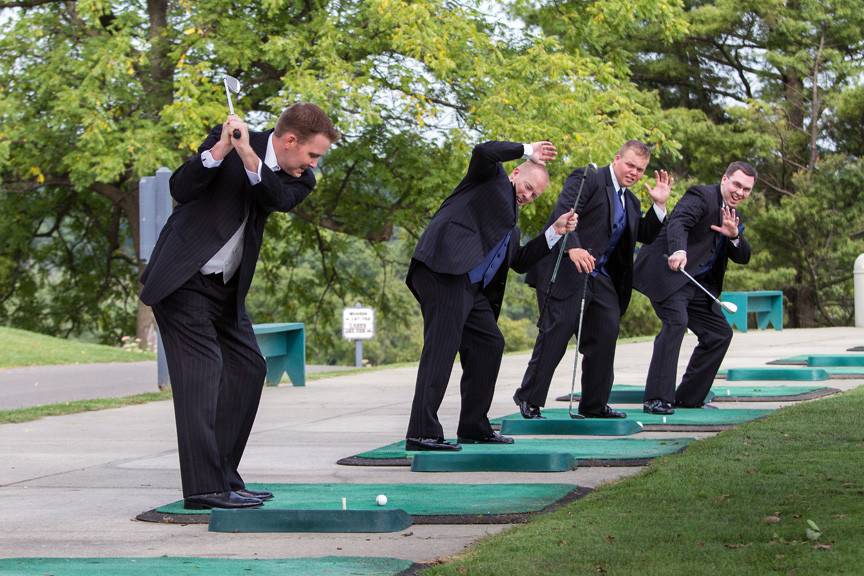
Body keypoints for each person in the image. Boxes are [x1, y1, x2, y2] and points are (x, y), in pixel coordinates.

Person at [139, 104, 339, 509]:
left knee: (249, 367)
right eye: (312, 154)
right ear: (289, 141)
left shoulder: (300, 179)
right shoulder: (224, 138)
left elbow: (275, 198)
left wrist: (248, 154)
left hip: (226, 291)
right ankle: (204, 489)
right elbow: (181, 188)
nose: (313, 164)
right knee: (204, 372)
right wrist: (218, 153)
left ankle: (224, 478)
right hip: (181, 278)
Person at [405, 140, 578, 451]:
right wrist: (528, 150)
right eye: (527, 187)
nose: (527, 195)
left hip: (471, 290)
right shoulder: (489, 178)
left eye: (534, 195)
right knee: (442, 348)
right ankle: (421, 432)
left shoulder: (510, 226)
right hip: (444, 272)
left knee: (490, 344)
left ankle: (473, 427)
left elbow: (520, 261)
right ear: (514, 173)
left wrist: (555, 231)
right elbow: (483, 151)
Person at [513, 140, 671, 419]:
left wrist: (659, 206)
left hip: (602, 279)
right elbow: (566, 209)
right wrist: (573, 246)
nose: (634, 172)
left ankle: (594, 405)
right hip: (565, 270)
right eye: (630, 165)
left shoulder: (631, 201)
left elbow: (644, 233)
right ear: (617, 157)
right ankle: (529, 399)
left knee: (606, 335)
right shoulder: (589, 177)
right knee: (556, 335)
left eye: (640, 169)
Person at [633, 161, 756, 414]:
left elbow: (743, 256)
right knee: (676, 323)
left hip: (698, 286)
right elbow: (678, 222)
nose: (740, 193)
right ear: (724, 179)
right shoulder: (701, 195)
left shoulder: (733, 215)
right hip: (670, 275)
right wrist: (679, 249)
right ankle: (656, 398)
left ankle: (689, 398)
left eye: (746, 190)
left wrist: (734, 236)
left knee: (719, 334)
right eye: (736, 185)